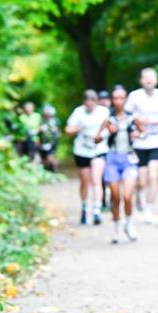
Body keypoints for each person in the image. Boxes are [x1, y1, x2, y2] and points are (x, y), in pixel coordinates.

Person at [125, 68, 158, 223]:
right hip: (140, 142)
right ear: (141, 80)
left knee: (153, 176)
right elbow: (127, 115)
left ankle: (149, 210)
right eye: (146, 78)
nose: (149, 81)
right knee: (142, 180)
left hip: (157, 140)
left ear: (156, 80)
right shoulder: (134, 96)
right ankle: (140, 196)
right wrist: (137, 122)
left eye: (152, 78)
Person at [65, 90, 111, 225]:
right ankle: (84, 206)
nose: (89, 104)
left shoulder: (104, 112)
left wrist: (100, 136)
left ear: (96, 102)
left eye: (92, 101)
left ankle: (96, 210)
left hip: (99, 150)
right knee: (85, 181)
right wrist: (79, 128)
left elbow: (109, 128)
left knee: (97, 179)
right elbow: (68, 130)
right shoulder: (78, 112)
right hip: (82, 151)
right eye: (87, 101)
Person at [102, 86, 140, 243]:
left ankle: (129, 225)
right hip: (112, 159)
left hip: (129, 159)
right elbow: (96, 138)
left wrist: (138, 134)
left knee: (128, 195)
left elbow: (142, 132)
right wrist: (107, 132)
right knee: (116, 197)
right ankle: (117, 228)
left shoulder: (133, 117)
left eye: (121, 98)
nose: (118, 101)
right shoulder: (108, 119)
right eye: (116, 98)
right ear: (112, 100)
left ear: (126, 99)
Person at [98, 90, 113, 211]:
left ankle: (113, 200)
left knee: (113, 177)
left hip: (113, 150)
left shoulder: (114, 114)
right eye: (101, 99)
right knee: (102, 177)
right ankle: (103, 201)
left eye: (106, 99)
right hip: (101, 150)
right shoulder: (96, 115)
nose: (104, 101)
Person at [39, 104, 61, 172]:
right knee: (44, 158)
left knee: (50, 157)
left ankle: (54, 170)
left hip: (52, 142)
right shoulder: (41, 121)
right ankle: (48, 170)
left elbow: (59, 132)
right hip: (43, 142)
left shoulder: (55, 121)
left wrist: (55, 131)